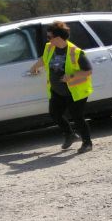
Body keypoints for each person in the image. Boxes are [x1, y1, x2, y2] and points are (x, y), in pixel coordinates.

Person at [29, 21, 94, 153]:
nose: (47, 40)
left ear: (58, 38)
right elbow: (44, 59)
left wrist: (70, 77)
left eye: (49, 37)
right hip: (57, 90)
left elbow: (88, 71)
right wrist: (35, 66)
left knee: (77, 117)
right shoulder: (49, 47)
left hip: (75, 91)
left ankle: (87, 143)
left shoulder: (75, 52)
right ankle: (69, 134)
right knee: (55, 113)